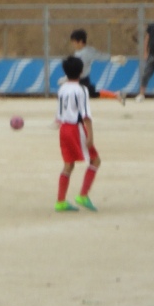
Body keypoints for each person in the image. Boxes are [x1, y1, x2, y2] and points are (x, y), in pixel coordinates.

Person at [56, 55, 101, 213]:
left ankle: (60, 201)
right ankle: (83, 195)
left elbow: (59, 113)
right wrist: (90, 135)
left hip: (64, 128)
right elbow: (85, 114)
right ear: (81, 72)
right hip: (76, 129)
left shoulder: (62, 88)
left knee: (68, 164)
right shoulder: (81, 90)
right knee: (95, 160)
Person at [69, 28, 125, 106]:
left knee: (88, 94)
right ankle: (115, 95)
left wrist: (113, 58)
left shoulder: (88, 51)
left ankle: (115, 95)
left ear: (80, 42)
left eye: (74, 42)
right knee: (90, 93)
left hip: (82, 79)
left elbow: (99, 56)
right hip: (78, 78)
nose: (73, 44)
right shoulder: (78, 52)